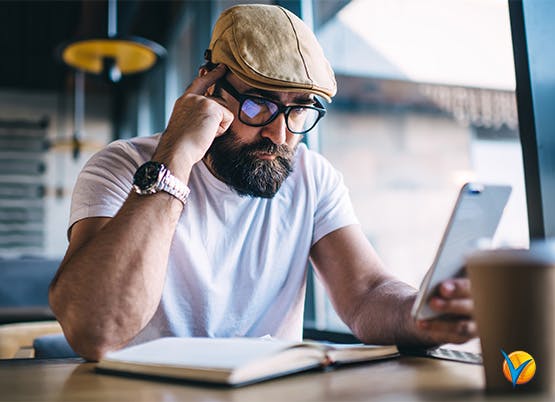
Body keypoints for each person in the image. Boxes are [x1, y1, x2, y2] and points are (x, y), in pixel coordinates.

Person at [49, 4, 476, 361]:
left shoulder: (312, 176)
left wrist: (421, 315)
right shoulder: (123, 166)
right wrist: (176, 156)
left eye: (299, 110)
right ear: (209, 90)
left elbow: (366, 292)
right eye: (259, 105)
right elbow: (96, 330)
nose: (280, 134)